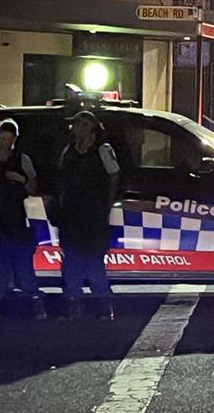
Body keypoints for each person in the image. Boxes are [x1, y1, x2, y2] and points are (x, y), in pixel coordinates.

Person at [0, 119, 47, 321]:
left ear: (15, 139)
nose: (5, 142)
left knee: (23, 265)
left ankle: (35, 301)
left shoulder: (22, 159)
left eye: (9, 138)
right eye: (2, 137)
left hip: (16, 220)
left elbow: (33, 188)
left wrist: (20, 179)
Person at [52, 110, 120, 321]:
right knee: (71, 260)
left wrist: (106, 207)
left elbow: (114, 177)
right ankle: (72, 303)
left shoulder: (103, 150)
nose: (74, 129)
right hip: (72, 214)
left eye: (79, 125)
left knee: (93, 260)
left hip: (94, 214)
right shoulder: (69, 151)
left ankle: (103, 304)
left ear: (89, 128)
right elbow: (61, 179)